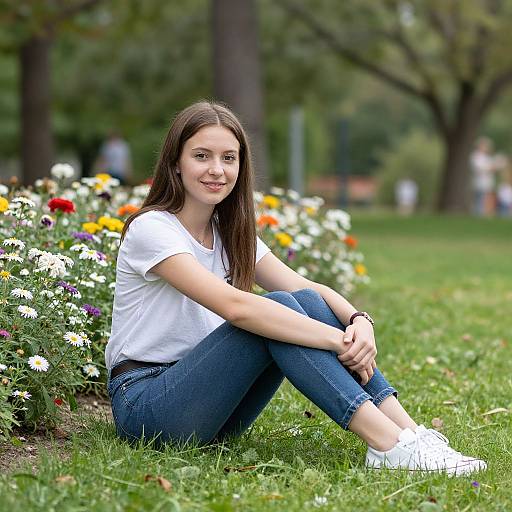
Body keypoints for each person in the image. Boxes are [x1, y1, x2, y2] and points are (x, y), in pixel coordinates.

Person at [105, 101, 486, 475]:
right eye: (202, 156)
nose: (217, 170)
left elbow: (307, 289)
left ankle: (409, 434)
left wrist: (359, 319)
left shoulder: (231, 235)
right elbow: (237, 308)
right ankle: (387, 444)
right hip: (148, 406)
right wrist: (336, 341)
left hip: (214, 408)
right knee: (270, 314)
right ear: (176, 162)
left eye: (229, 158)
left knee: (297, 301)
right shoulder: (153, 229)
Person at [470, 137, 497, 216]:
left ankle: (484, 214)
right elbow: (481, 169)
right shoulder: (476, 156)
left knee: (486, 200)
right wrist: (491, 167)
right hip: (480, 183)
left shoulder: (486, 157)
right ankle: (478, 215)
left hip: (487, 182)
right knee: (479, 200)